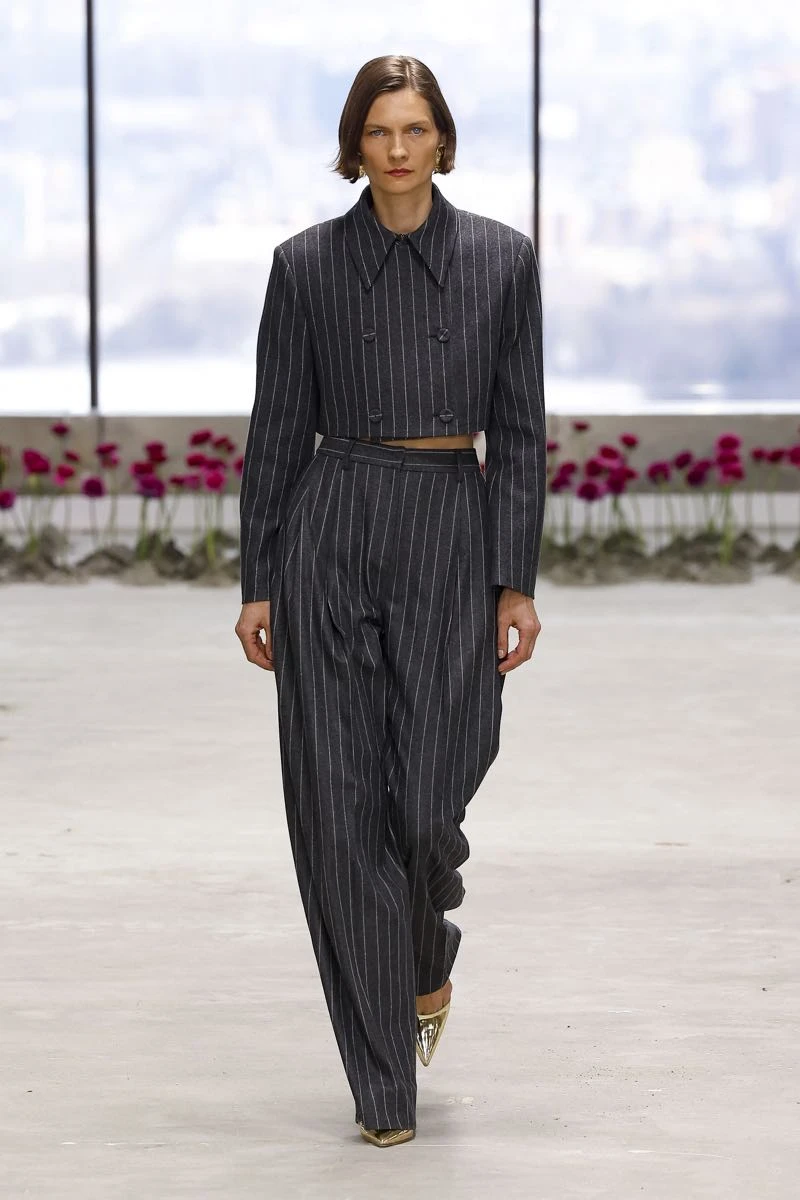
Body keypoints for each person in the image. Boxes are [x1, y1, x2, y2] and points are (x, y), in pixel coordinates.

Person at [234, 54, 545, 1148]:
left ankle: (423, 948)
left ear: (442, 139)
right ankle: (382, 1090)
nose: (398, 150)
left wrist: (515, 578)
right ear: (353, 146)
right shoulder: (304, 265)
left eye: (414, 130)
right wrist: (260, 579)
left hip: (450, 528)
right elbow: (277, 427)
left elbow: (520, 430)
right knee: (335, 808)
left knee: (422, 805)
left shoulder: (502, 260)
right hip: (331, 526)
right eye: (378, 132)